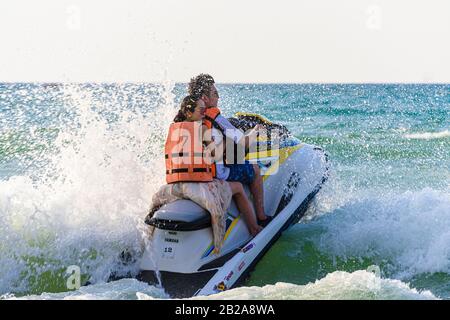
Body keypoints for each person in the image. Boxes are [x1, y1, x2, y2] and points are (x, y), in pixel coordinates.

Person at [167, 95, 263, 236]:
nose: (204, 113)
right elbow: (216, 155)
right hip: (197, 185)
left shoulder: (174, 129)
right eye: (201, 110)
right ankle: (254, 228)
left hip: (178, 183)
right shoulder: (202, 129)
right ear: (189, 113)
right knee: (238, 187)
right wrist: (225, 142)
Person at [188, 74, 272, 227]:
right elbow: (244, 143)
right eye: (214, 93)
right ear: (204, 98)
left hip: (194, 175)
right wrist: (255, 131)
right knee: (254, 169)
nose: (218, 97)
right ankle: (261, 216)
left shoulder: (184, 118)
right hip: (215, 175)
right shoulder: (216, 118)